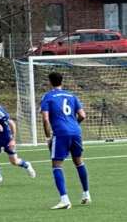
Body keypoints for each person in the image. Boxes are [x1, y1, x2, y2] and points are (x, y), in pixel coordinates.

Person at [40, 72, 90, 210]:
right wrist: (74, 125)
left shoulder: (48, 96)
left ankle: (65, 200)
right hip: (75, 132)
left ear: (49, 83)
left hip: (61, 133)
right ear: (62, 82)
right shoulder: (71, 95)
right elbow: (82, 115)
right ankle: (86, 194)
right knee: (79, 162)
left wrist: (48, 137)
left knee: (57, 165)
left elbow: (45, 119)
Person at [0, 94, 36, 187]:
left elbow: (12, 125)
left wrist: (13, 140)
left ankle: (27, 165)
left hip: (6, 138)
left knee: (14, 162)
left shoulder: (0, 113)